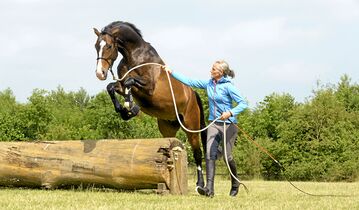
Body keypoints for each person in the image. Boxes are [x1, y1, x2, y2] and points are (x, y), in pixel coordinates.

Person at [163, 60, 248, 197]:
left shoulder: (228, 87)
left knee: (227, 156)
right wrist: (171, 72)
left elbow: (243, 104)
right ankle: (209, 189)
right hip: (213, 124)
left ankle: (235, 183)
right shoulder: (209, 84)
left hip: (229, 125)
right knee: (209, 154)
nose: (210, 70)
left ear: (220, 72)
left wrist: (230, 113)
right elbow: (189, 81)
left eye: (213, 69)